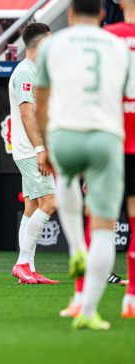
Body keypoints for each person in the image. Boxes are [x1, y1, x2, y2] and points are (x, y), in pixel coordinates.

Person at [35, 0, 129, 329]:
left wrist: (45, 145)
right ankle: (88, 312)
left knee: (67, 185)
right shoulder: (118, 45)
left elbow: (41, 103)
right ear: (103, 14)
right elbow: (125, 95)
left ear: (70, 13)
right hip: (105, 136)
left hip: (64, 134)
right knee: (103, 227)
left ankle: (76, 246)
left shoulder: (54, 44)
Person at [7, 22, 59, 285]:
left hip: (31, 148)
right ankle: (22, 264)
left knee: (32, 206)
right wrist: (40, 149)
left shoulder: (37, 71)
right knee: (50, 202)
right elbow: (27, 113)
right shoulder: (26, 72)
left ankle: (29, 267)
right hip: (30, 150)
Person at [104, 0, 135, 319]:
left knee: (99, 219)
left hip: (110, 140)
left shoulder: (106, 37)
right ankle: (132, 294)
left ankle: (84, 300)